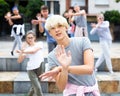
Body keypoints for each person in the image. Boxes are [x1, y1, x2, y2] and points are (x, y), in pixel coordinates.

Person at [39, 15, 100, 96]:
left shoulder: (83, 41)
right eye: (53, 28)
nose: (57, 30)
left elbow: (89, 69)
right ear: (50, 33)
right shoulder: (52, 56)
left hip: (92, 92)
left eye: (59, 26)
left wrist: (62, 68)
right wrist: (64, 68)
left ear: (66, 27)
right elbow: (61, 86)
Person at [17, 31, 44, 96]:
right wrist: (22, 51)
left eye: (31, 37)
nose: (30, 39)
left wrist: (22, 51)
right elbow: (19, 61)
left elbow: (33, 51)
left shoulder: (40, 44)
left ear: (34, 38)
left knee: (34, 87)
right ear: (26, 39)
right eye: (28, 38)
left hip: (40, 66)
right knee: (37, 87)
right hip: (31, 69)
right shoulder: (26, 49)